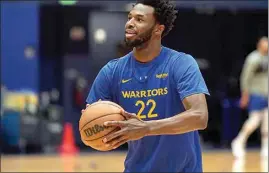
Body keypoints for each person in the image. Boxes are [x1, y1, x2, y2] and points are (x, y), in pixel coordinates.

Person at [83, 0, 210, 172]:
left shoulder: (181, 63)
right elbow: (91, 118)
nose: (129, 23)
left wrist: (146, 127)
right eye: (129, 18)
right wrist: (95, 126)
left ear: (159, 29)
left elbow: (200, 117)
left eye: (139, 19)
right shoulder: (112, 71)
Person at [232, 36, 268, 158]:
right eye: (264, 43)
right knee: (254, 121)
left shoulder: (267, 58)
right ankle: (239, 141)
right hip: (256, 93)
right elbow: (245, 78)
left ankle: (265, 148)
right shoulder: (253, 58)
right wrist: (245, 95)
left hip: (266, 94)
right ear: (259, 44)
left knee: (267, 124)